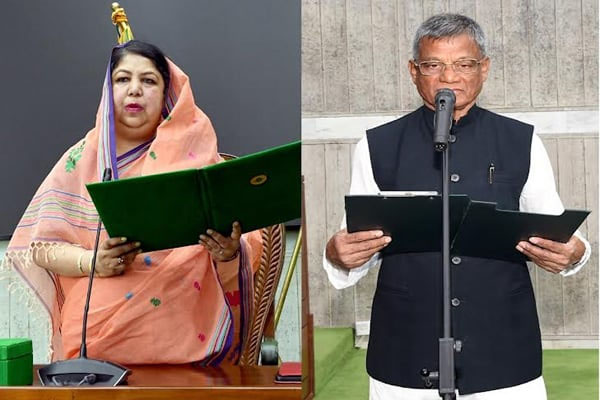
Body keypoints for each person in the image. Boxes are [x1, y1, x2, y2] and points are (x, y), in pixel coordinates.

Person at [323, 14, 591, 400]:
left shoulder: (522, 141)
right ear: (414, 71)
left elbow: (559, 229)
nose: (449, 78)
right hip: (403, 349)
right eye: (434, 65)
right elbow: (355, 243)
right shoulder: (376, 146)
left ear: (484, 68)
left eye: (464, 64)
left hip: (503, 349)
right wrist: (338, 254)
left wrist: (573, 253)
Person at [2, 40, 262, 366]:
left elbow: (243, 245)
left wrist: (228, 252)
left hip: (188, 333)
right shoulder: (82, 160)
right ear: (108, 92)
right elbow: (40, 247)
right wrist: (92, 261)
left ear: (169, 94)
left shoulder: (198, 162)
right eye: (123, 79)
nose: (135, 90)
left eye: (149, 81)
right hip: (93, 344)